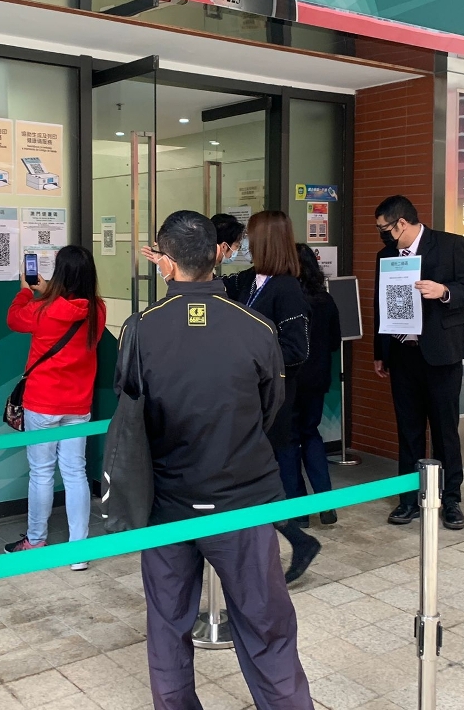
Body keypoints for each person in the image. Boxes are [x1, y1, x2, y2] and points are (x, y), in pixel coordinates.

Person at [117, 210, 314, 710]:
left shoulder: (140, 329)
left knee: (167, 627)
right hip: (243, 500)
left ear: (165, 262)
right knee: (267, 626)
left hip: (167, 504)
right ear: (218, 255)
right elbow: (269, 408)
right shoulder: (256, 326)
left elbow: (133, 411)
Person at [373, 196, 464, 531]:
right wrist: (380, 351)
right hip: (402, 353)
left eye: (385, 228)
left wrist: (443, 291)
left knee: (445, 430)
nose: (382, 235)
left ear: (402, 223)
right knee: (408, 431)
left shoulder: (449, 245)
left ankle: (451, 500)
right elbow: (380, 303)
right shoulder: (386, 255)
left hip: (441, 354)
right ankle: (409, 499)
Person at [222, 211, 319, 581]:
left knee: (260, 476)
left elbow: (297, 349)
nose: (245, 244)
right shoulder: (248, 280)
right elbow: (211, 291)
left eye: (250, 237)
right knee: (252, 478)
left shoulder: (287, 288)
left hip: (272, 400)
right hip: (246, 397)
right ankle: (292, 540)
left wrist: (251, 354)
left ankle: (292, 540)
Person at [5, 245, 107, 569]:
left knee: (41, 472)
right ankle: (78, 552)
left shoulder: (44, 310)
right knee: (76, 472)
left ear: (60, 273)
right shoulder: (98, 309)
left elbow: (13, 318)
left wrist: (26, 290)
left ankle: (36, 541)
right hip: (78, 404)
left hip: (43, 403)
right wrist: (47, 290)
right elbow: (73, 305)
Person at [281, 244, 342, 528]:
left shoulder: (286, 299)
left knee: (289, 441)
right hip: (317, 380)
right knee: (311, 434)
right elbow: (333, 342)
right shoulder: (325, 299)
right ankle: (326, 504)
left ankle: (299, 513)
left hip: (290, 380)